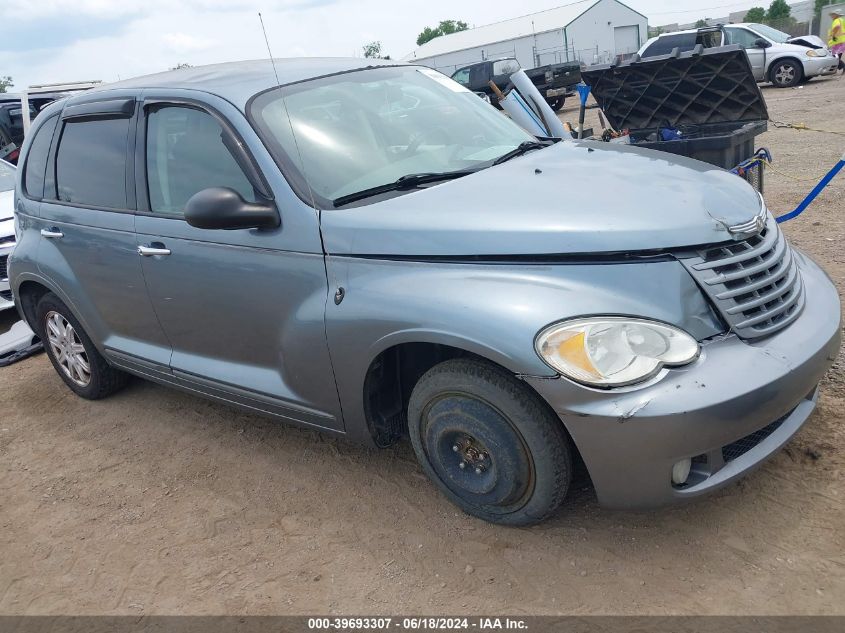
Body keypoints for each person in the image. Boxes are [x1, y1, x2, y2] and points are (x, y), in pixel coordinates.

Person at [828, 10, 845, 74]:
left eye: (833, 14)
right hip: (842, 40)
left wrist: (833, 35)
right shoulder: (842, 20)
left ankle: (843, 66)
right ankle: (835, 70)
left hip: (837, 41)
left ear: (836, 15)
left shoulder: (836, 20)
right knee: (838, 56)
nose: (831, 16)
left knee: (834, 56)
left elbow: (837, 26)